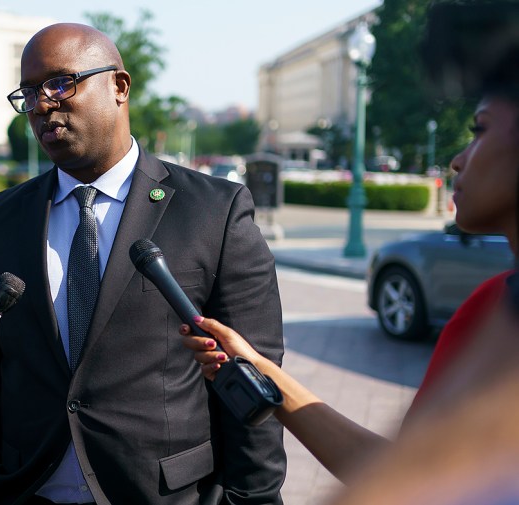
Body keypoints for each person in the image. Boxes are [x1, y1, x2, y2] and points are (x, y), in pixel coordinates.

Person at [181, 1, 519, 486]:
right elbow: (399, 473)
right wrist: (255, 367)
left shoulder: (496, 320)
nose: (459, 160)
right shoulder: (490, 307)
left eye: (480, 130)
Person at [0, 23, 286, 505]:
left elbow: (255, 375)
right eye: (28, 94)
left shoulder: (215, 211)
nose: (42, 105)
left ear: (119, 87)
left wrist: (252, 499)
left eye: (60, 84)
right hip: (25, 492)